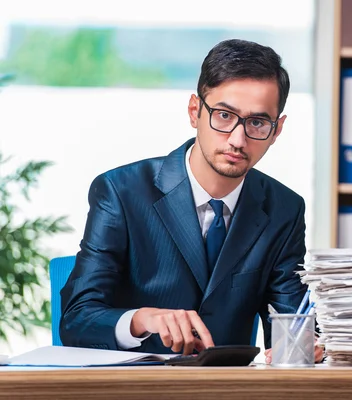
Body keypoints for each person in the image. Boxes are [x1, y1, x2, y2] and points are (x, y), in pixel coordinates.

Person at [59, 38, 323, 363]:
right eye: (224, 115)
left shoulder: (284, 208)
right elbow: (76, 319)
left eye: (257, 123)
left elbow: (291, 324)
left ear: (277, 130)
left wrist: (311, 345)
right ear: (194, 111)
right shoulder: (121, 192)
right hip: (134, 388)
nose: (238, 139)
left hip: (226, 391)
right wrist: (143, 319)